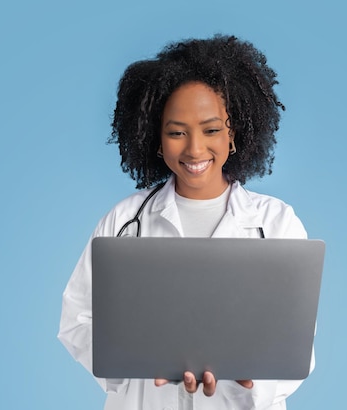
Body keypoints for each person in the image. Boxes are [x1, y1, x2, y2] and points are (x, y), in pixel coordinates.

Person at [58, 34, 314, 410]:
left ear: (234, 135)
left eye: (211, 130)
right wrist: (137, 364)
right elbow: (77, 321)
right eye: (177, 132)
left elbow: (296, 350)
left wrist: (248, 377)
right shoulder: (125, 221)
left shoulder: (276, 223)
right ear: (155, 140)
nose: (194, 149)